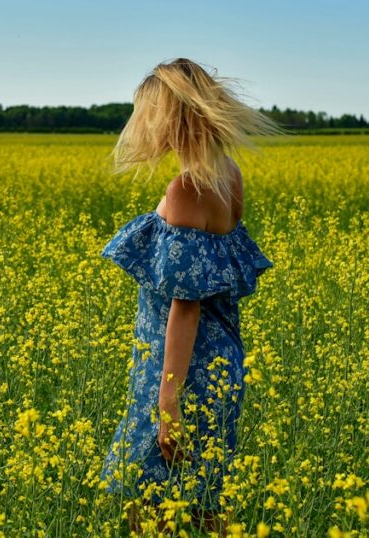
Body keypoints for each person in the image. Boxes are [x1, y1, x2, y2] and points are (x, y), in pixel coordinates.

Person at [97, 57, 286, 536]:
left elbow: (186, 305)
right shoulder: (229, 175)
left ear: (171, 117)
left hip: (183, 368)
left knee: (152, 506)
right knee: (203, 499)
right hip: (219, 364)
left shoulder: (187, 188)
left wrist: (168, 403)